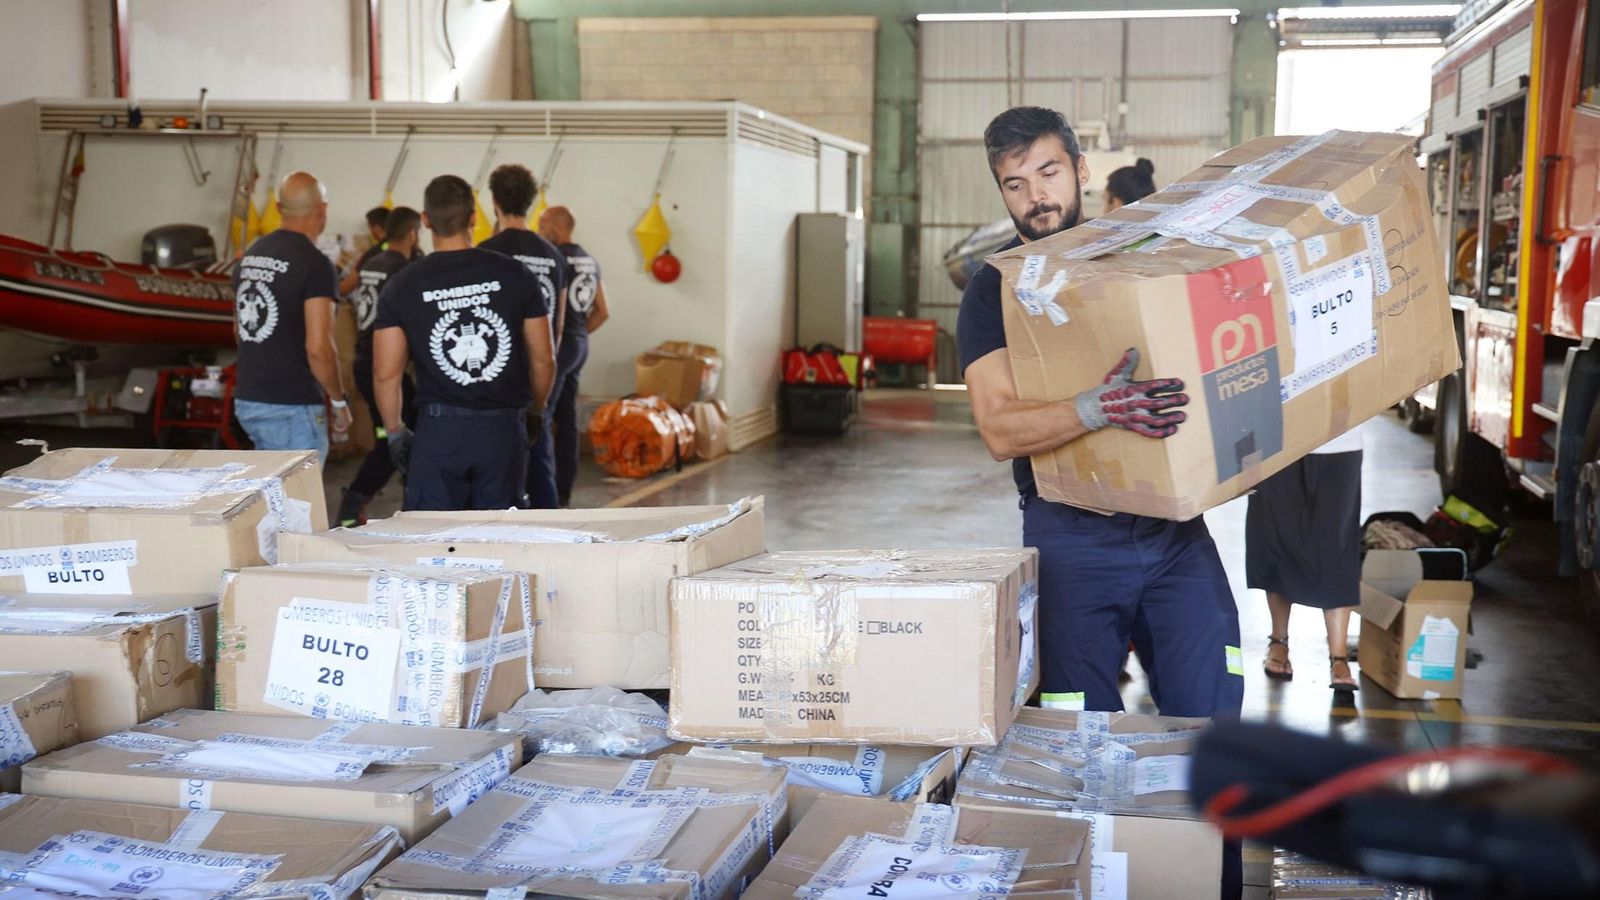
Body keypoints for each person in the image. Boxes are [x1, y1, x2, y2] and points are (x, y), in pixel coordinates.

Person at [958, 103, 1245, 900]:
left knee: (1213, 722)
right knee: (1080, 746)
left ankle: (1209, 888)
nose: (1035, 197)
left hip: (1173, 530)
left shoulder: (1140, 263)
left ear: (1082, 171)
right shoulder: (994, 292)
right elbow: (997, 426)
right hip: (1070, 538)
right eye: (1015, 184)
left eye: (1048, 173)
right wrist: (1094, 410)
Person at [371, 175, 556, 511]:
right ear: (474, 218)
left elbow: (386, 373)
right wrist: (535, 413)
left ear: (425, 220)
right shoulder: (516, 275)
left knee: (433, 544)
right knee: (500, 543)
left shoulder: (402, 285)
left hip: (440, 432)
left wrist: (395, 431)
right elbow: (544, 359)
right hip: (502, 430)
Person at [232, 170, 352, 459]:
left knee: (275, 499)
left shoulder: (249, 256)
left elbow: (239, 332)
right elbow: (319, 347)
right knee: (298, 502)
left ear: (277, 209)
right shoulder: (314, 264)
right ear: (322, 210)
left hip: (248, 399)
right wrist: (338, 401)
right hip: (291, 408)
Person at [477, 164, 567, 509]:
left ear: (494, 201)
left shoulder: (484, 252)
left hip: (496, 382)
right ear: (531, 202)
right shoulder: (553, 255)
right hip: (539, 377)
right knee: (540, 466)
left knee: (496, 480)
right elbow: (556, 329)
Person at [1250, 430, 1364, 691]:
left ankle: (1339, 656)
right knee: (1275, 536)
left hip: (1340, 442)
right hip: (1275, 442)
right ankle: (1278, 640)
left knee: (1337, 547)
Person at [335, 206, 421, 526]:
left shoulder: (373, 262)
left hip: (364, 360)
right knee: (397, 438)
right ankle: (356, 505)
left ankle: (359, 505)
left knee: (398, 435)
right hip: (383, 367)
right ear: (413, 233)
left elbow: (347, 289)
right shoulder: (404, 269)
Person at [540, 205, 610, 507]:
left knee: (540, 416)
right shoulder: (590, 261)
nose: (540, 230)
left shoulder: (554, 259)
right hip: (579, 344)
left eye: (543, 225)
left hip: (560, 346)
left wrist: (560, 343)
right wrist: (579, 336)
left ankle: (544, 495)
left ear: (556, 227)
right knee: (566, 420)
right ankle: (564, 489)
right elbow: (603, 312)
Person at [338, 206, 392, 298]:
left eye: (369, 228)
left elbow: (347, 287)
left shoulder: (373, 253)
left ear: (376, 228)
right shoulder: (407, 249)